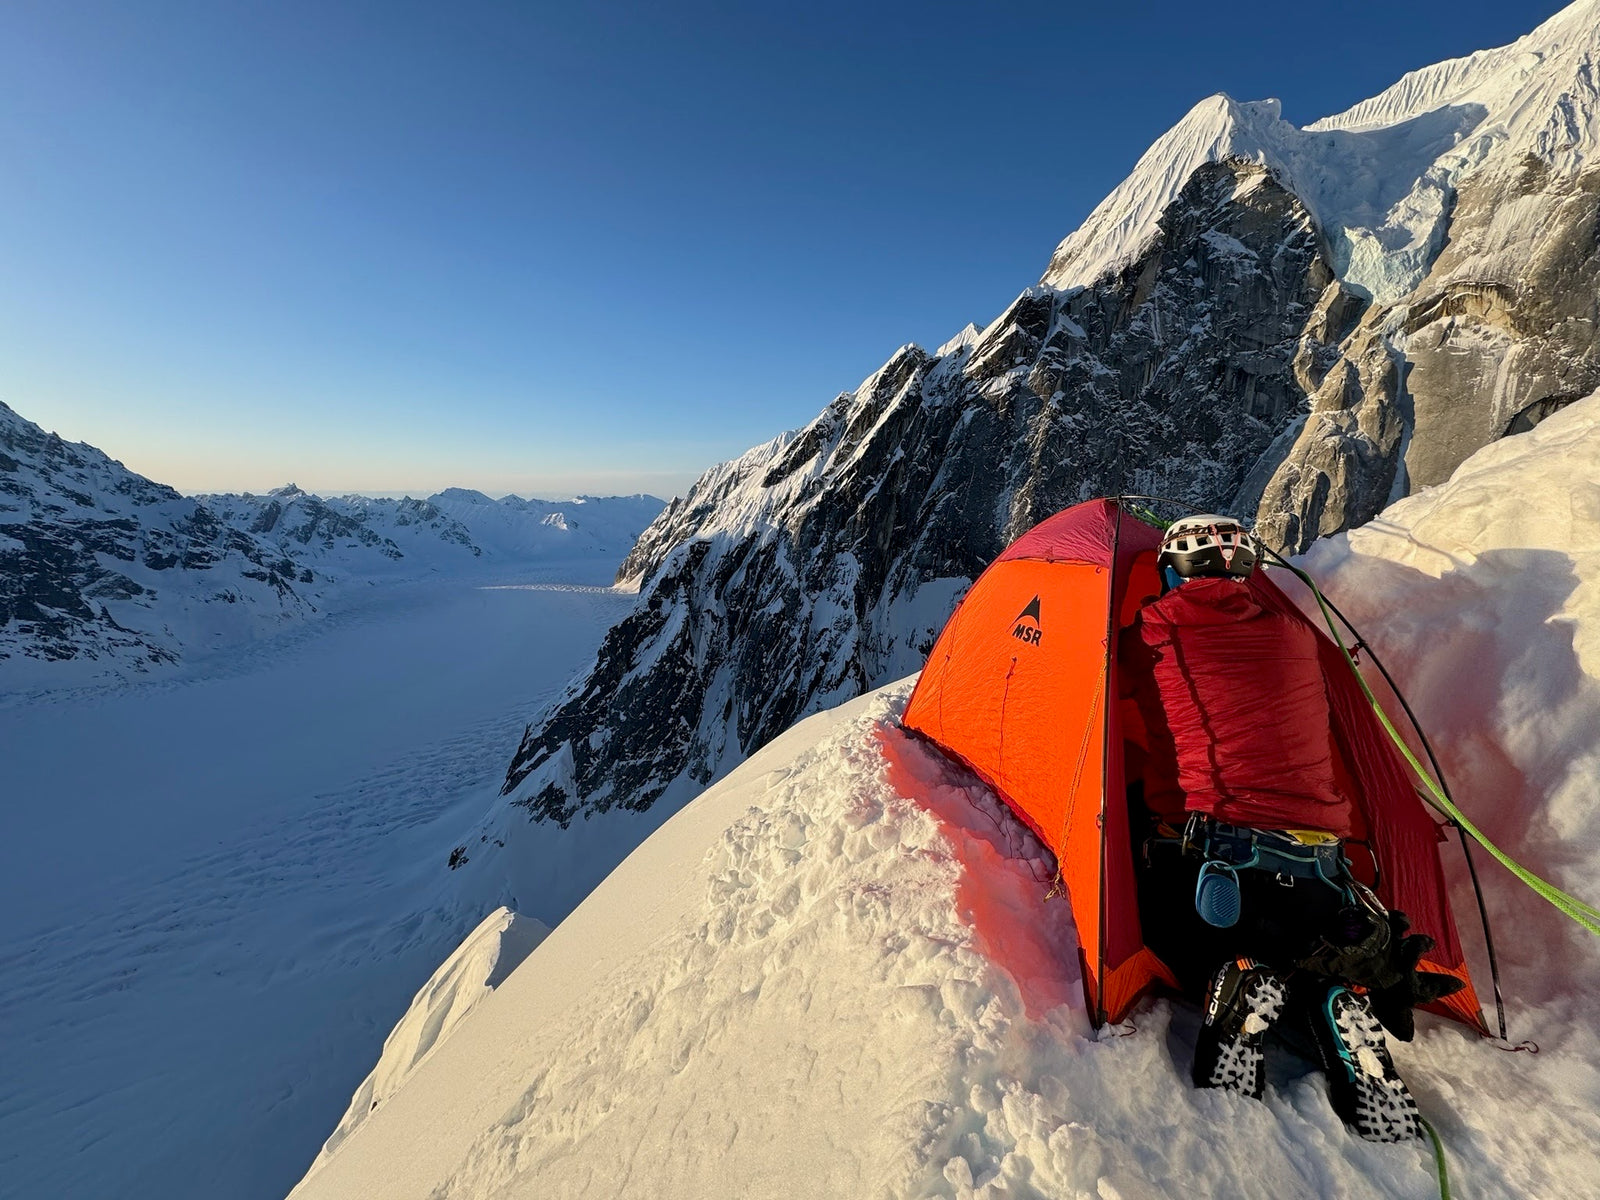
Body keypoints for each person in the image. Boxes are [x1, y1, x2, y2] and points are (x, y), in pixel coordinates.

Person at [1118, 514, 1462, 1143]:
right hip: (1326, 879)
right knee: (1302, 948)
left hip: (1219, 878)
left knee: (1167, 929)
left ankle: (1244, 979)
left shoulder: (1152, 635)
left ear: (1175, 572)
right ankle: (1332, 998)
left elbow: (1106, 712)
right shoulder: (1294, 634)